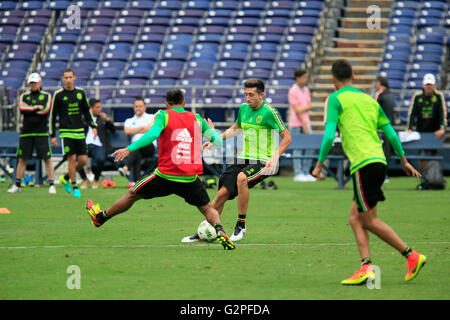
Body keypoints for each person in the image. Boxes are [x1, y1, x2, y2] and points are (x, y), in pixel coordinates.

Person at [312, 59, 426, 285]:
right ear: (353, 77)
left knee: (369, 220)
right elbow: (392, 134)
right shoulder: (370, 100)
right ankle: (366, 267)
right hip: (378, 161)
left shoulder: (335, 99)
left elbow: (327, 136)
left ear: (333, 79)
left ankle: (411, 256)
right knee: (355, 218)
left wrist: (318, 164)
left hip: (363, 164)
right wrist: (403, 160)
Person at [85, 89, 235, 250]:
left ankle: (100, 217)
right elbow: (218, 141)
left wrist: (129, 149)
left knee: (131, 195)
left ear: (166, 104)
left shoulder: (164, 115)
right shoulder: (196, 118)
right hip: (189, 178)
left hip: (165, 175)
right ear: (184, 102)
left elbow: (151, 135)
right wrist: (211, 130)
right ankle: (220, 230)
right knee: (207, 209)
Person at [182, 78, 292, 243]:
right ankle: (206, 231)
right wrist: (216, 139)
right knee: (221, 194)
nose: (248, 98)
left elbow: (287, 138)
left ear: (262, 94)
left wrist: (275, 157)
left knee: (242, 178)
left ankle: (241, 225)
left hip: (262, 161)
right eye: (246, 94)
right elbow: (236, 128)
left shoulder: (270, 112)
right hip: (244, 158)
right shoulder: (243, 109)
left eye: (252, 95)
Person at [50, 68, 97, 198]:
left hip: (80, 131)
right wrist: (53, 135)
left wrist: (93, 125)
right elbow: (52, 116)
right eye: (66, 77)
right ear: (62, 79)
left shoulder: (81, 93)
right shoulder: (58, 95)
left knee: (83, 160)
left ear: (74, 78)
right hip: (66, 132)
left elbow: (87, 111)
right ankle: (75, 186)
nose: (68, 80)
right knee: (72, 158)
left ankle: (66, 177)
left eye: (70, 77)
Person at [7, 73, 56, 194]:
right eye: (31, 83)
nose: (33, 85)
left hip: (41, 132)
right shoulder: (24, 96)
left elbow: (45, 110)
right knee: (22, 158)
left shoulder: (47, 96)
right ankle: (17, 184)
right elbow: (22, 109)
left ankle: (51, 184)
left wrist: (30, 108)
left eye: (35, 82)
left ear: (40, 83)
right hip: (26, 132)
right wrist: (36, 107)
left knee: (47, 158)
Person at [406, 73, 447, 172]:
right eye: (427, 84)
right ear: (423, 85)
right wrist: (409, 128)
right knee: (422, 154)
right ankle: (423, 177)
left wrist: (442, 128)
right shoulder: (417, 96)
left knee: (434, 154)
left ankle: (435, 174)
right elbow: (411, 113)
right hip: (421, 130)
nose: (429, 87)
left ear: (435, 85)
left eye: (431, 84)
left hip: (435, 131)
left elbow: (443, 112)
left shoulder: (439, 96)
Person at [79, 98, 117, 189]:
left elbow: (113, 130)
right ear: (91, 108)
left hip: (98, 145)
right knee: (77, 159)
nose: (100, 109)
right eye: (97, 107)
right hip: (84, 144)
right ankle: (85, 179)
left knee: (101, 158)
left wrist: (107, 120)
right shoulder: (83, 119)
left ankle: (95, 180)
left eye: (100, 107)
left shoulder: (102, 119)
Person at [120, 98, 155, 188]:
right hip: (135, 148)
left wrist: (135, 130)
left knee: (136, 147)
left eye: (140, 106)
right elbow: (127, 131)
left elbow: (149, 129)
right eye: (136, 106)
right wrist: (141, 128)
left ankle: (126, 168)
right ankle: (137, 182)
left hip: (149, 146)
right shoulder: (129, 120)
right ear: (133, 108)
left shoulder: (151, 117)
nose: (138, 108)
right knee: (137, 153)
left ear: (145, 107)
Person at [288, 68, 315, 182]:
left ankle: (306, 172)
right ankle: (298, 173)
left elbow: (309, 105)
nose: (305, 79)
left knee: (310, 147)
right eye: (304, 77)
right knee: (297, 148)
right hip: (296, 123)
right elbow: (298, 110)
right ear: (298, 78)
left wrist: (303, 109)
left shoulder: (306, 90)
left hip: (306, 122)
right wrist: (303, 124)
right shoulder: (292, 90)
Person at [375, 76, 396, 181]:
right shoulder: (391, 95)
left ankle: (382, 174)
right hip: (389, 127)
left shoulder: (380, 95)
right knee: (386, 152)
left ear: (380, 83)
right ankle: (384, 174)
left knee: (380, 152)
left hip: (380, 128)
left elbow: (375, 110)